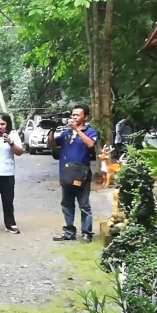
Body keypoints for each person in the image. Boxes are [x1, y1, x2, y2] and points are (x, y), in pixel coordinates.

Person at [48, 104, 98, 243]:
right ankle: (69, 232)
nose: (74, 117)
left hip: (82, 174)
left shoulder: (91, 132)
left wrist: (77, 130)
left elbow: (90, 144)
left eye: (77, 115)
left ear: (85, 117)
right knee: (67, 204)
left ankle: (87, 232)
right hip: (66, 173)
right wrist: (52, 130)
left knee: (84, 204)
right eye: (73, 114)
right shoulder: (66, 134)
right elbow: (51, 145)